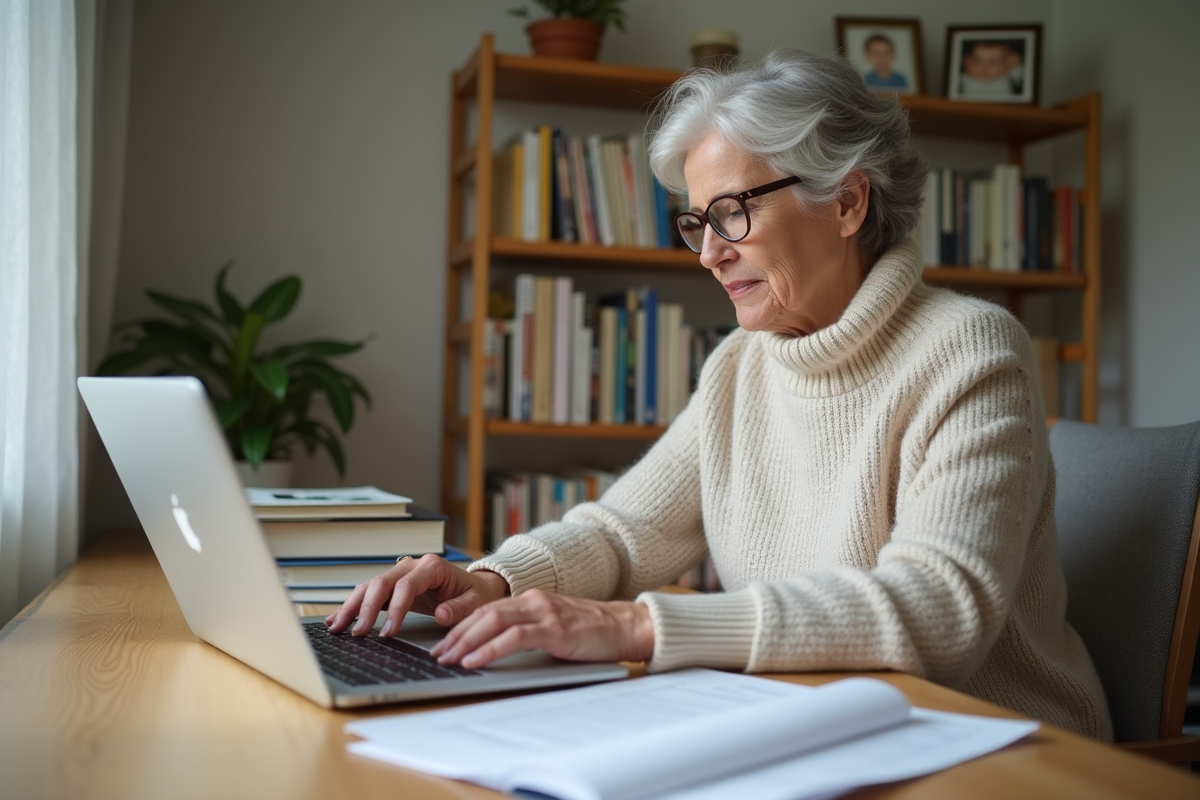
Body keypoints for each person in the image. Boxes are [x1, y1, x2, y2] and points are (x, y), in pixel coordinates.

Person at [327, 47, 1113, 741]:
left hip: (990, 744)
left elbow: (938, 610)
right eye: (697, 221)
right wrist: (492, 580)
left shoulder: (969, 349)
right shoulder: (742, 362)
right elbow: (626, 532)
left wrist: (638, 625)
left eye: (733, 212)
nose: (708, 252)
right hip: (810, 726)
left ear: (847, 201)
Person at [958, 39, 1024, 98]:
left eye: (993, 62)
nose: (984, 68)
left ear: (1008, 63)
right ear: (966, 61)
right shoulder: (962, 78)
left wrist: (1014, 62)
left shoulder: (1010, 74)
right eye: (977, 61)